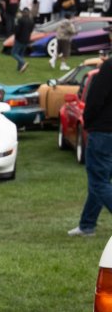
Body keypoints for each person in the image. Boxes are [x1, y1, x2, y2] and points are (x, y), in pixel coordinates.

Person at [69, 63, 112, 236]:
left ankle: (87, 225)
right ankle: (87, 225)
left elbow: (95, 98)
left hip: (103, 131)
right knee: (99, 179)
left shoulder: (109, 68)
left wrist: (88, 120)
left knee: (98, 181)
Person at [11, 5, 35, 73]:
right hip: (27, 39)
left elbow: (17, 30)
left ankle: (23, 62)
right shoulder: (31, 21)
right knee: (21, 54)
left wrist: (16, 37)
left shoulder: (20, 20)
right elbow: (31, 30)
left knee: (14, 53)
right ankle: (20, 68)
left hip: (20, 39)